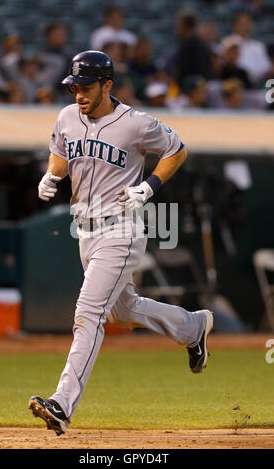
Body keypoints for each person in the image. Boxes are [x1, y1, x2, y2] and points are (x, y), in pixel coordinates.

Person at [28, 50, 213, 436]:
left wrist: (149, 185)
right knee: (121, 311)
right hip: (85, 230)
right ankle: (192, 327)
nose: (78, 92)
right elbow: (60, 155)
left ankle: (61, 404)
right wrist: (52, 176)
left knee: (89, 313)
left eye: (86, 86)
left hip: (122, 229)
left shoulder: (134, 123)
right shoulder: (66, 116)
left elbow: (176, 151)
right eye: (74, 85)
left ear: (107, 85)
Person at [229, 10, 271, 83]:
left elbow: (266, 67)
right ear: (235, 25)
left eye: (248, 22)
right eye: (243, 23)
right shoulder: (228, 43)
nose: (246, 26)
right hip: (237, 82)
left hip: (259, 83)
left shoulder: (258, 45)